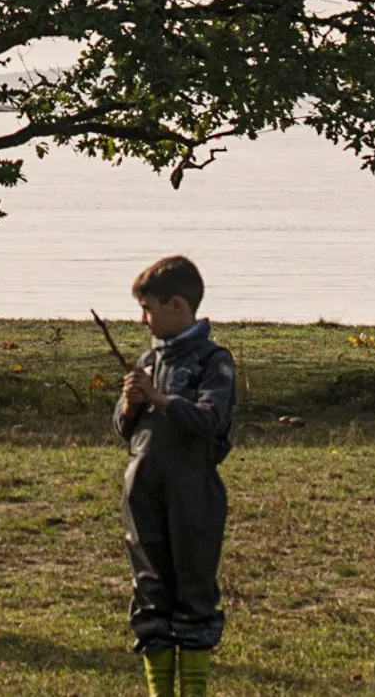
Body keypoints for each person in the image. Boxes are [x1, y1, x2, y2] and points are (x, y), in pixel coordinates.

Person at [114, 255, 235, 697]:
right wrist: (130, 404)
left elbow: (210, 421)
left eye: (148, 309)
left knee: (194, 591)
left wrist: (161, 400)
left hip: (193, 494)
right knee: (150, 592)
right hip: (142, 491)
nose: (142, 319)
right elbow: (125, 430)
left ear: (179, 306)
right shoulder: (148, 359)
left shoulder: (214, 360)